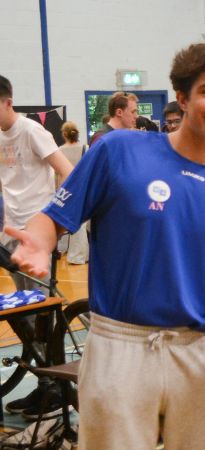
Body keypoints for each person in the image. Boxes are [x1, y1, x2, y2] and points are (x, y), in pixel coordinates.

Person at [5, 42, 205, 450]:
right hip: (120, 345)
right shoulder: (118, 150)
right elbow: (54, 217)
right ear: (182, 97)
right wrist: (38, 240)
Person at [0, 74, 74, 420]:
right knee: (22, 316)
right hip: (13, 234)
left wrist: (54, 222)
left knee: (42, 314)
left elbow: (66, 171)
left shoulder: (32, 131)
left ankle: (56, 388)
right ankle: (44, 382)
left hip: (39, 233)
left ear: (8, 102)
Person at [57, 121, 89, 265]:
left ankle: (62, 250)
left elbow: (56, 174)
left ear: (64, 134)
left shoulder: (59, 150)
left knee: (62, 220)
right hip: (80, 188)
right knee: (80, 222)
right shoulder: (85, 148)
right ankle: (78, 255)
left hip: (63, 189)